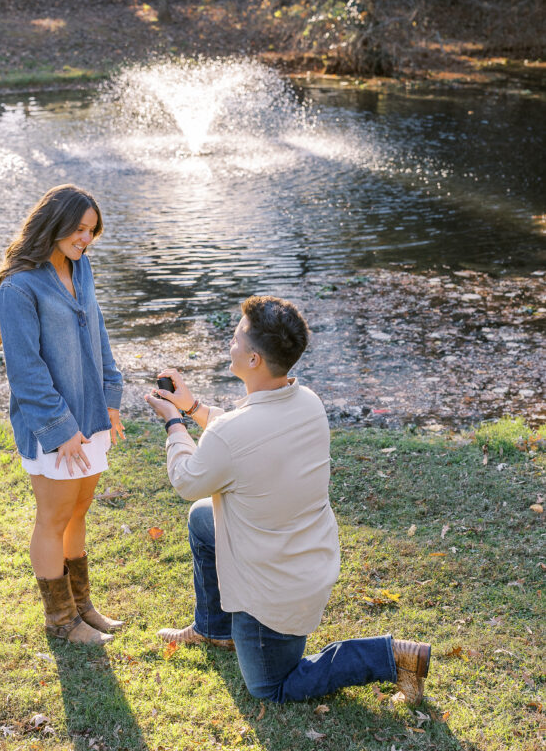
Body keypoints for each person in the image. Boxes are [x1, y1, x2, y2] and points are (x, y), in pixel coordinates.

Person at [145, 295, 431, 705]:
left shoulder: (234, 433)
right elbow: (244, 436)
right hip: (306, 562)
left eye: (238, 336)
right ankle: (214, 628)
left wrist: (174, 422)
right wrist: (191, 406)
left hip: (272, 593)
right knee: (202, 519)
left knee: (271, 687)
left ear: (255, 359)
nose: (231, 343)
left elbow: (188, 479)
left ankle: (391, 657)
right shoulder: (307, 401)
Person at [0, 184, 126, 646]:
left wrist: (111, 398)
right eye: (80, 230)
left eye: (92, 231)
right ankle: (61, 622)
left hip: (91, 416)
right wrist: (61, 431)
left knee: (79, 509)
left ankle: (82, 607)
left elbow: (98, 335)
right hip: (54, 426)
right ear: (55, 223)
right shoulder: (18, 288)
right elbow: (25, 371)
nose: (86, 239)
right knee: (54, 516)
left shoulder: (81, 270)